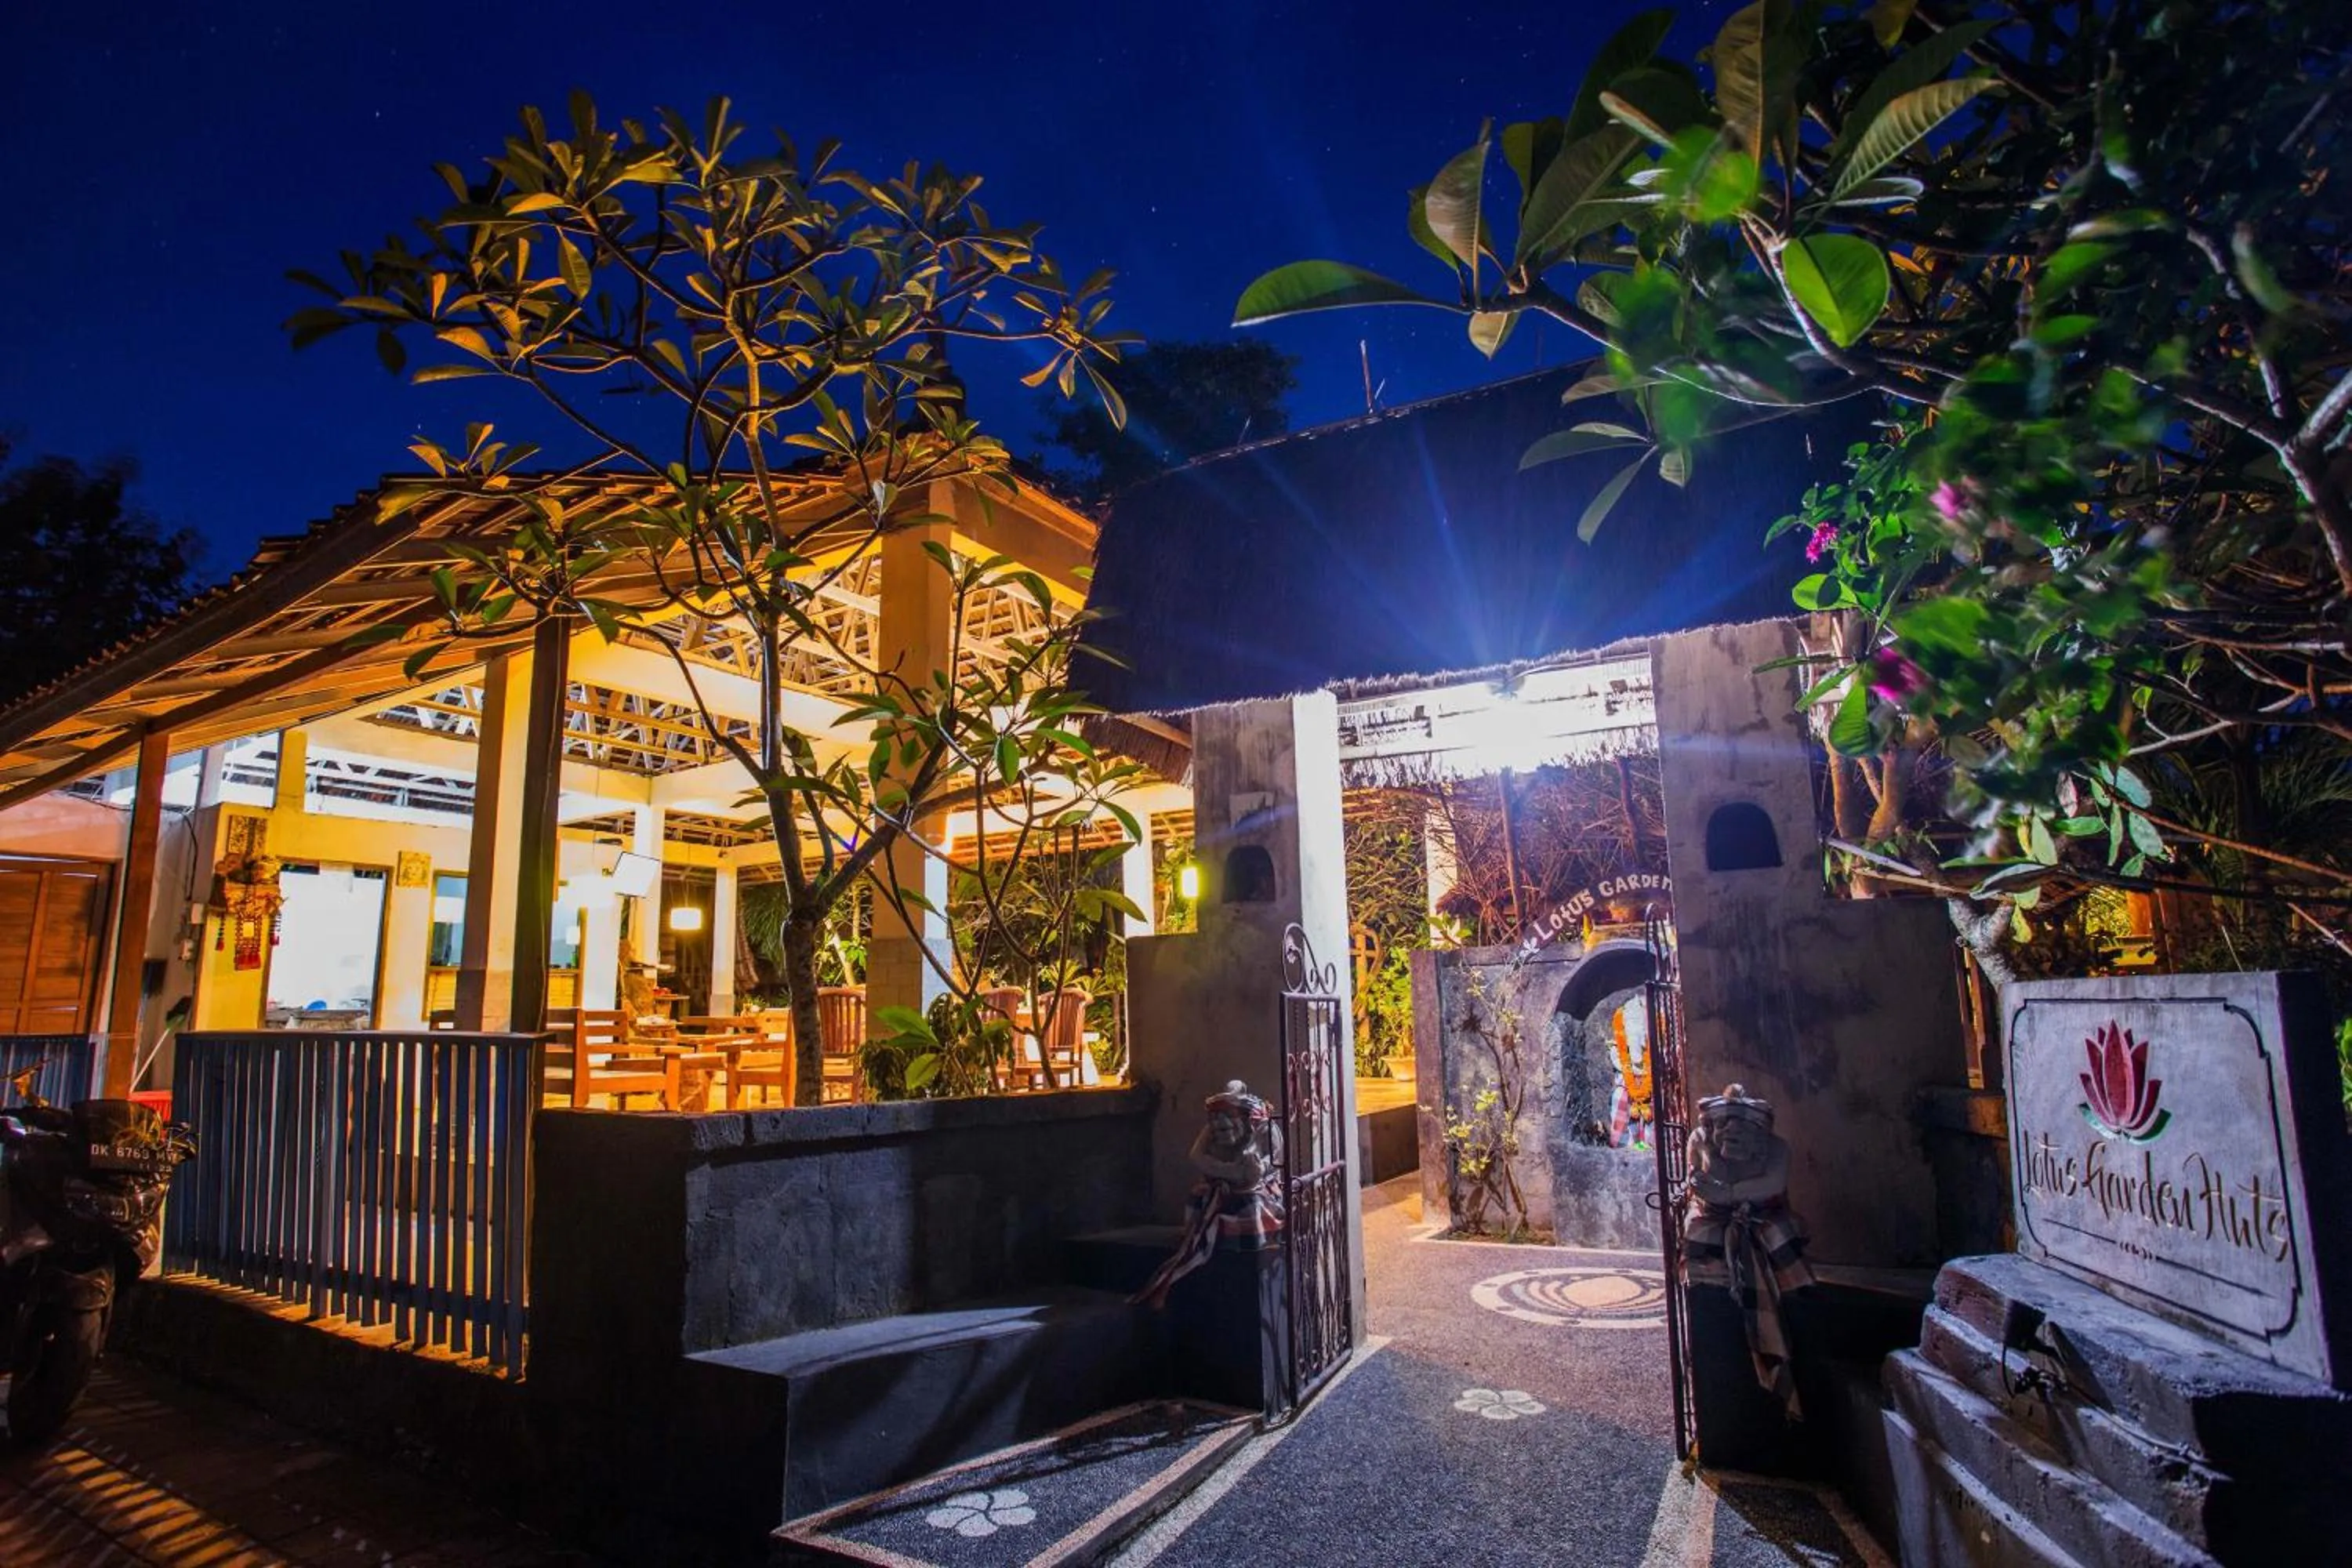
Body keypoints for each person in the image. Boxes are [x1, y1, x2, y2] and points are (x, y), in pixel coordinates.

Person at [1682, 1083, 1815, 1416]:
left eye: (1740, 1127)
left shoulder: (1776, 1149)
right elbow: (1696, 1180)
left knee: (1778, 1252)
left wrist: (1727, 1194)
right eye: (1724, 1126)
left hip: (1758, 1222)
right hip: (1718, 1222)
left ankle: (1778, 1371)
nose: (1731, 1134)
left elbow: (1772, 1185)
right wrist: (1729, 1195)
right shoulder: (1700, 1140)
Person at [1133, 1080, 1284, 1309]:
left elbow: (1273, 1160)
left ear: (1243, 1117)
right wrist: (1229, 1172)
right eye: (1215, 1121)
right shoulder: (1212, 1128)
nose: (1219, 1126)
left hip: (1253, 1189)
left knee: (1251, 1204)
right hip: (1223, 1186)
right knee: (1203, 1196)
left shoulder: (1264, 1127)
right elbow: (1197, 1156)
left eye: (1226, 1121)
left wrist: (1256, 1170)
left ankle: (1247, 1236)